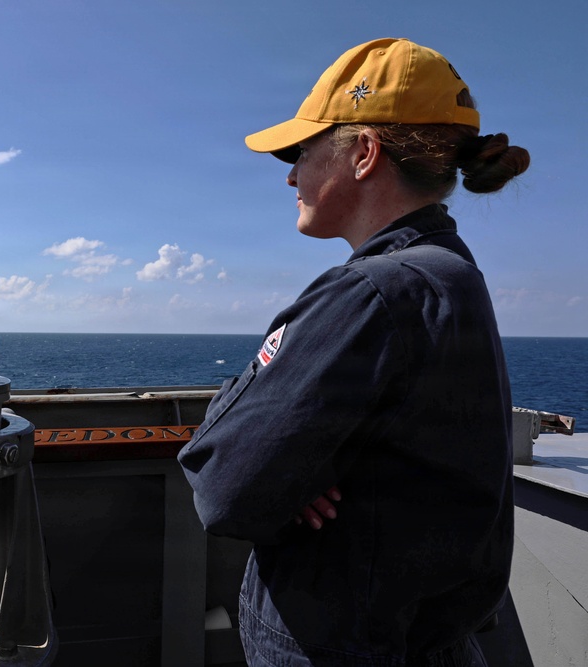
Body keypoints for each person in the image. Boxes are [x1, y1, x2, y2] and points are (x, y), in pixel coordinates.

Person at [178, 38, 528, 666]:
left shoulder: (376, 290)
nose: (290, 173)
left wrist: (272, 458)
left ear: (363, 153)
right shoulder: (448, 275)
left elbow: (225, 486)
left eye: (302, 150)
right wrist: (288, 469)